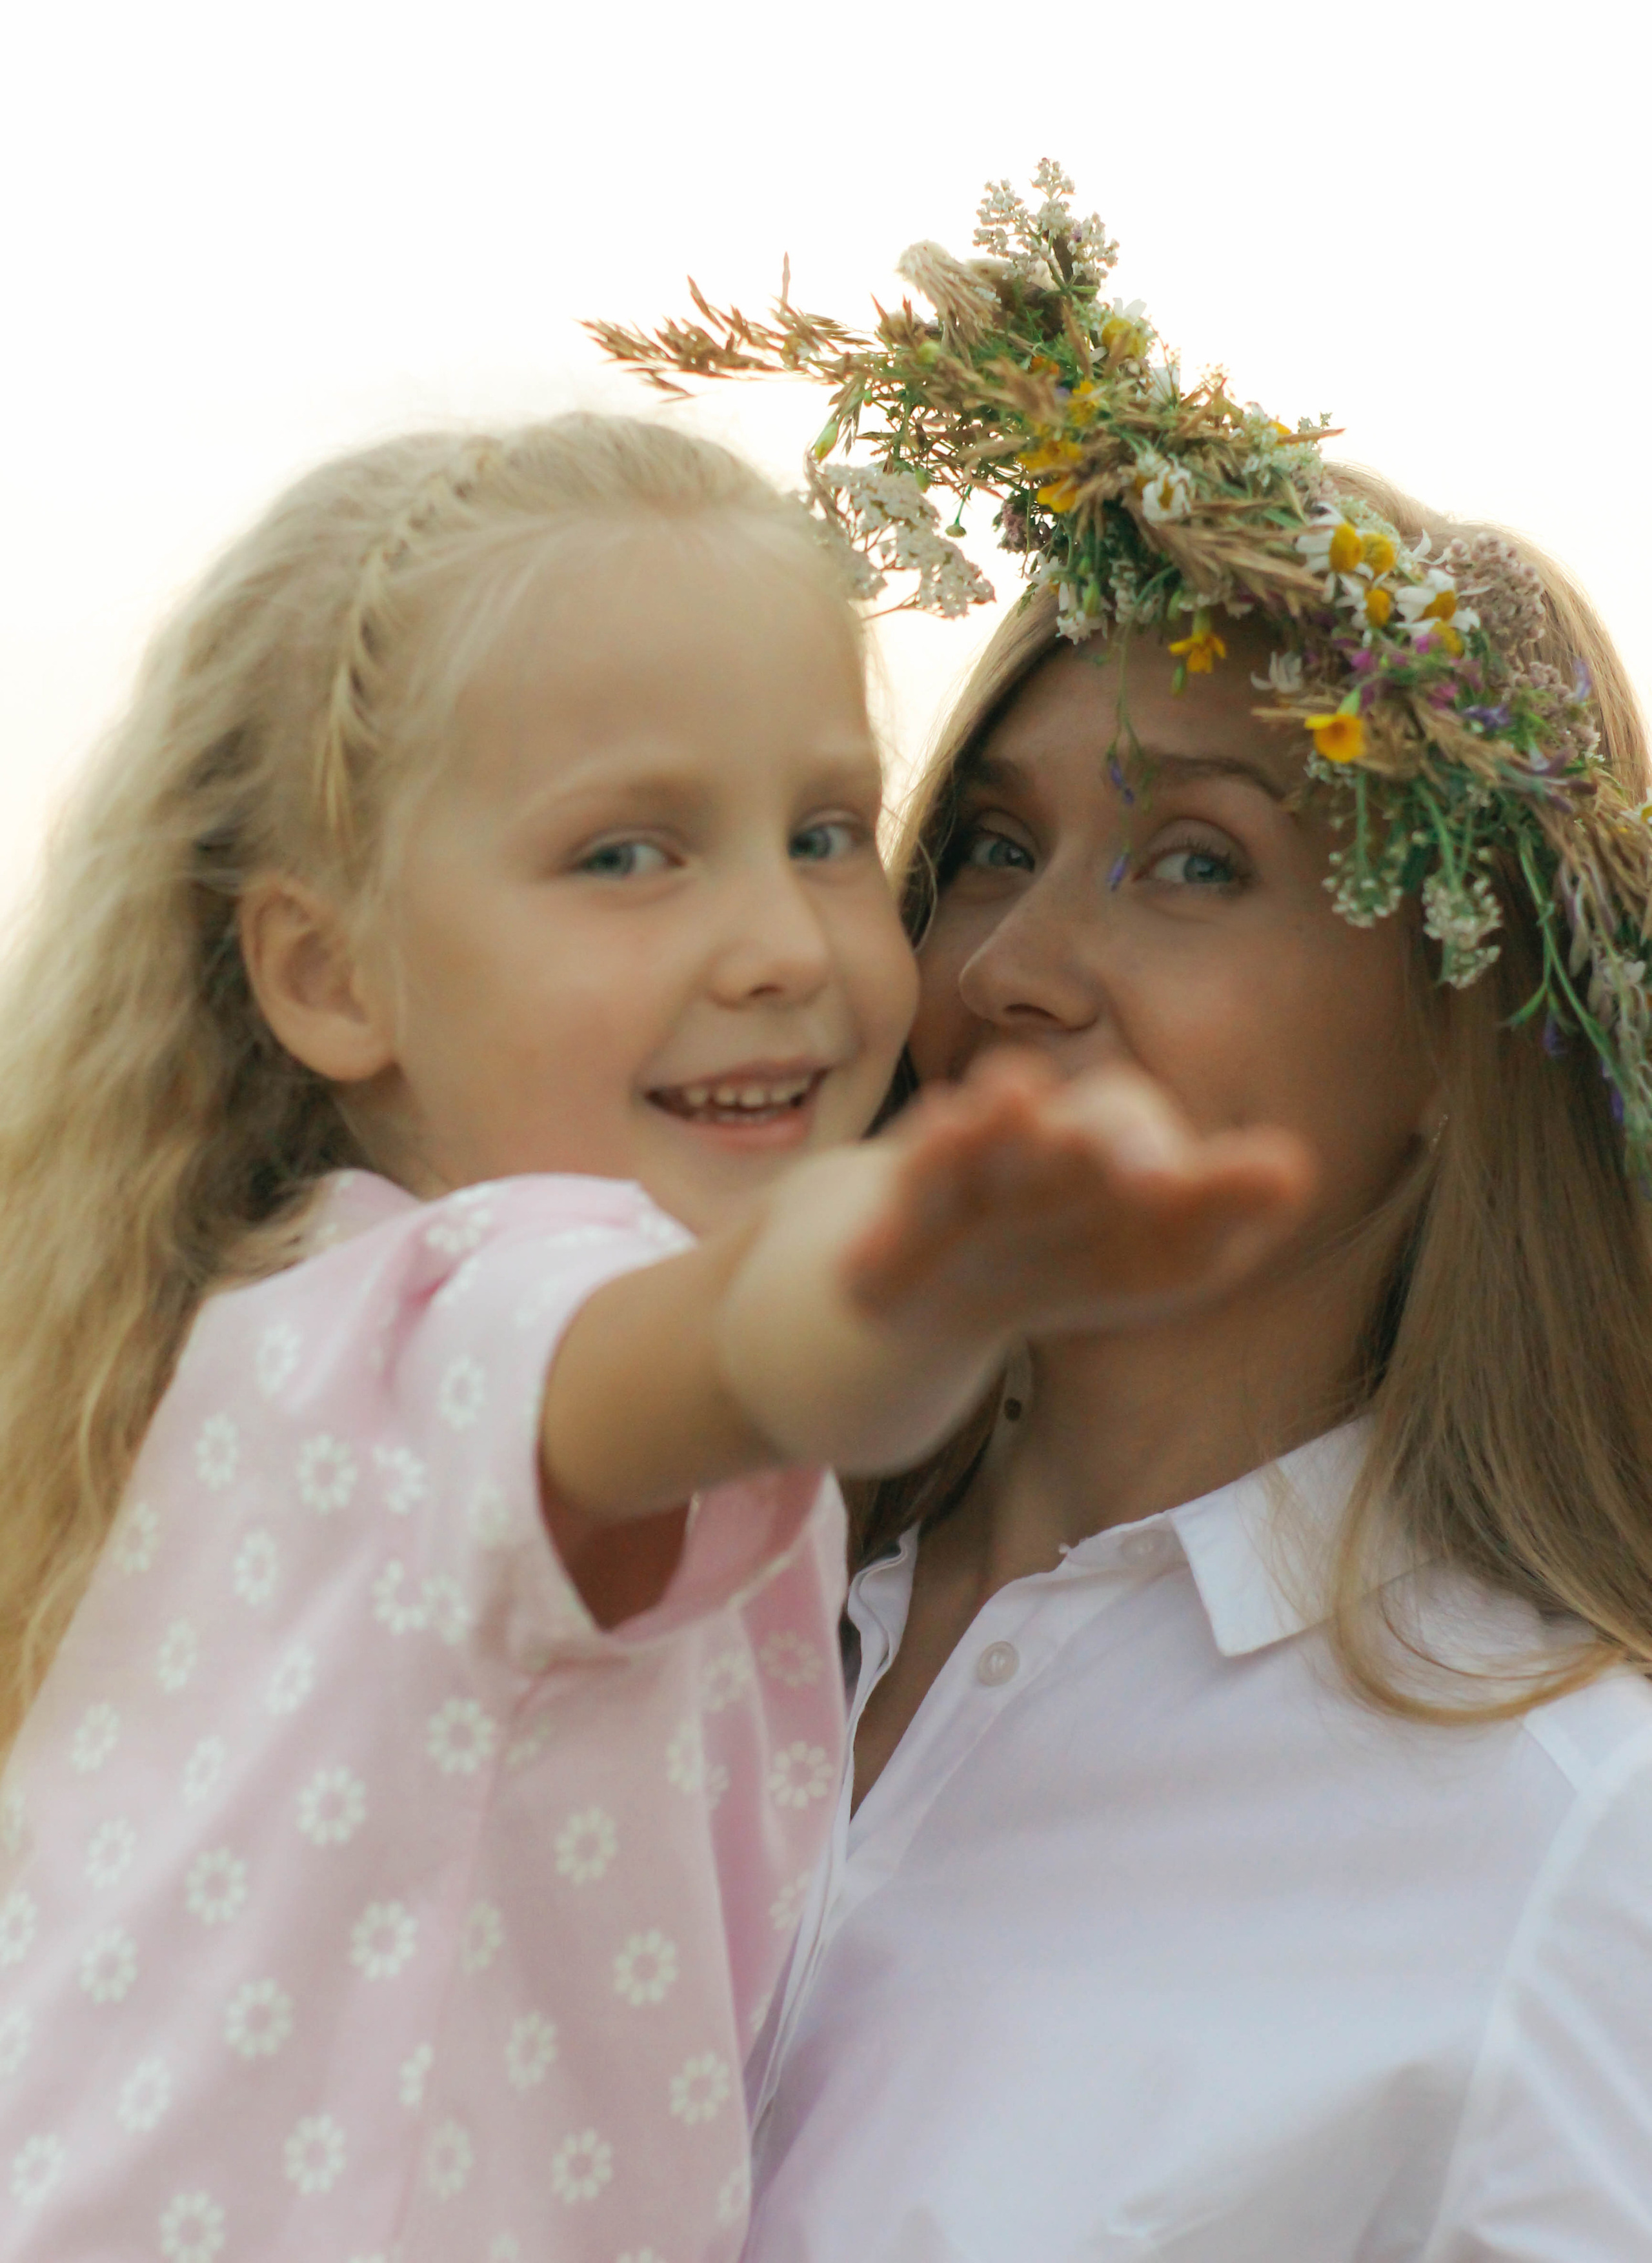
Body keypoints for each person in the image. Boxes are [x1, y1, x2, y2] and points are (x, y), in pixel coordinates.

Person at [0, 412, 1300, 2263]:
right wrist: (918, 1271)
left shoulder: (293, 1332)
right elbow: (727, 1353)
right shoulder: (485, 1317)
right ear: (329, 971)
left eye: (826, 833)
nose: (779, 941)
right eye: (626, 856)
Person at [596, 172, 1652, 2259]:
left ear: (1464, 1036)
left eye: (1194, 865)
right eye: (991, 843)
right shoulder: (682, 1577)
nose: (1012, 969)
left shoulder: (1575, 1842)